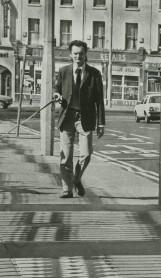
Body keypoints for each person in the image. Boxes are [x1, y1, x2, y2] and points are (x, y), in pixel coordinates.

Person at [52, 40, 105, 199]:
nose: (78, 56)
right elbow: (57, 92)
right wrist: (58, 99)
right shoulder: (63, 71)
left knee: (86, 154)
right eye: (75, 53)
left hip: (85, 118)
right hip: (67, 117)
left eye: (81, 53)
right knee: (65, 157)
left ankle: (76, 178)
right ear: (70, 55)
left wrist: (101, 123)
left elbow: (99, 101)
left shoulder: (94, 73)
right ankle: (67, 190)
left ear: (85, 54)